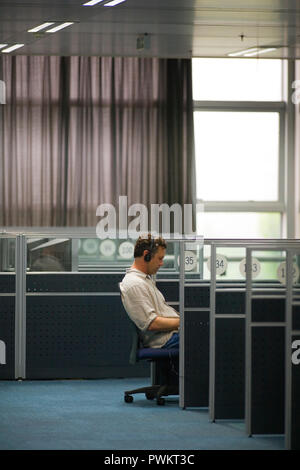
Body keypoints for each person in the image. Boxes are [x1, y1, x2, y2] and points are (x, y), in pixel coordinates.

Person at [120, 234, 180, 349]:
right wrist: (184, 323)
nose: (161, 263)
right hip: (166, 339)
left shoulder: (144, 280)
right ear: (146, 255)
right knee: (207, 334)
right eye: (160, 258)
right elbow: (152, 323)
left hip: (171, 334)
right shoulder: (134, 284)